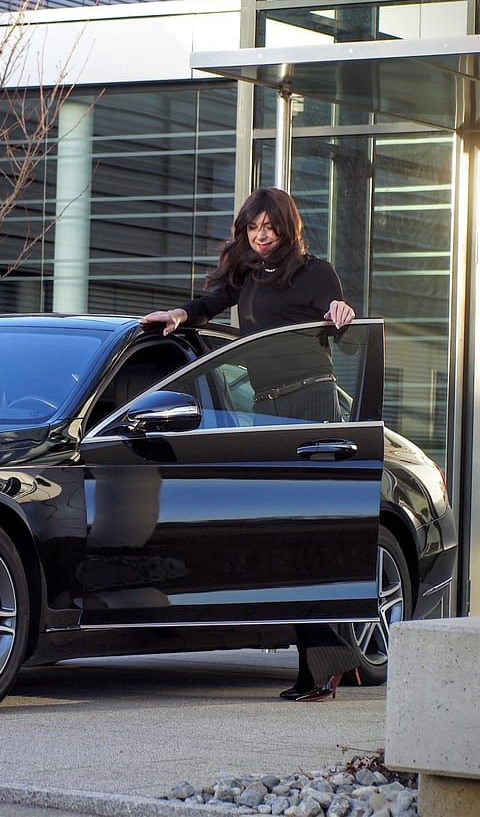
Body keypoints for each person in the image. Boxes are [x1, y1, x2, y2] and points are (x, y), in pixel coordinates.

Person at [141, 186, 358, 702]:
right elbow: (209, 304)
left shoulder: (314, 271)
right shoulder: (244, 272)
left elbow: (338, 314)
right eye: (253, 227)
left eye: (270, 227)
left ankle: (323, 666)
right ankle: (328, 661)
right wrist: (177, 316)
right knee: (277, 530)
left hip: (309, 403)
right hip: (264, 405)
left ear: (287, 227)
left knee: (306, 528)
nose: (261, 236)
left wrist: (340, 311)